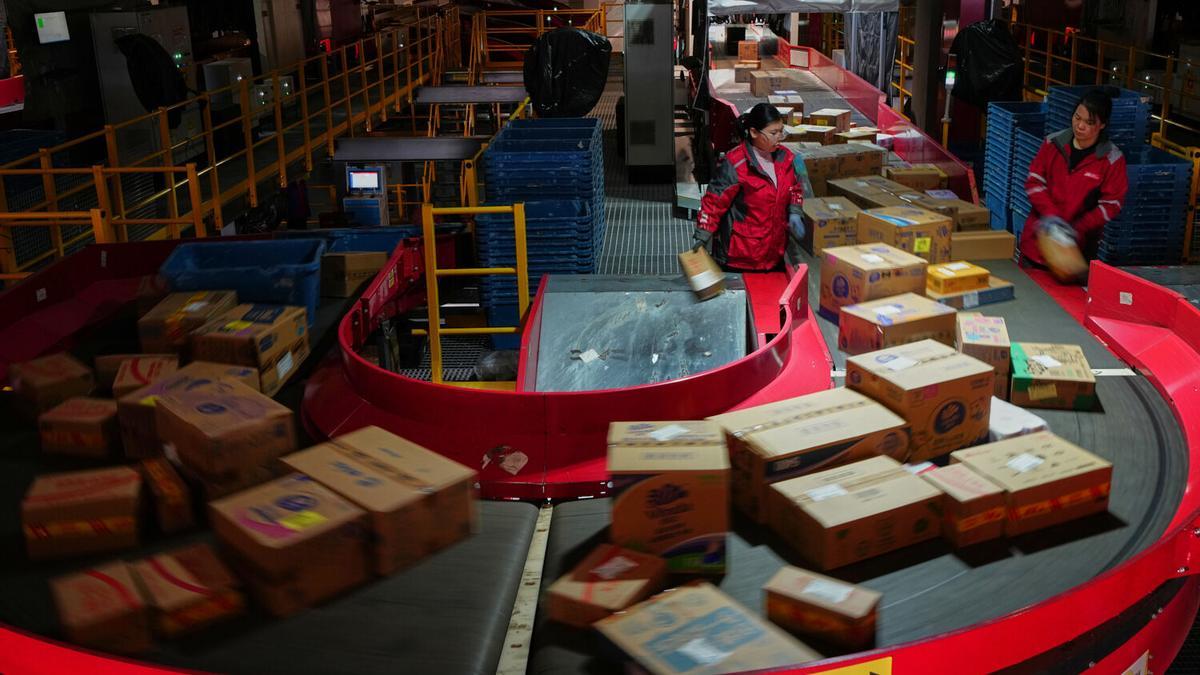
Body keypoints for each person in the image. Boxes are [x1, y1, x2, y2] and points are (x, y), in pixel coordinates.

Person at [1019, 87, 1128, 269]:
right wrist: (1052, 217)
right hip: (1037, 245)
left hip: (1076, 252)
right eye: (1077, 118)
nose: (1080, 126)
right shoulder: (1052, 144)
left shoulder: (1112, 160)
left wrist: (1078, 228)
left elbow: (1112, 204)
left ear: (1102, 125)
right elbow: (1034, 181)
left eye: (1089, 122)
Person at [694, 103, 805, 271]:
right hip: (741, 257)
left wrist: (795, 211)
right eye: (773, 133)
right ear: (753, 132)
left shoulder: (786, 159)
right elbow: (714, 202)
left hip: (773, 254)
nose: (779, 137)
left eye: (781, 131)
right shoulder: (736, 164)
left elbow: (795, 188)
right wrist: (703, 235)